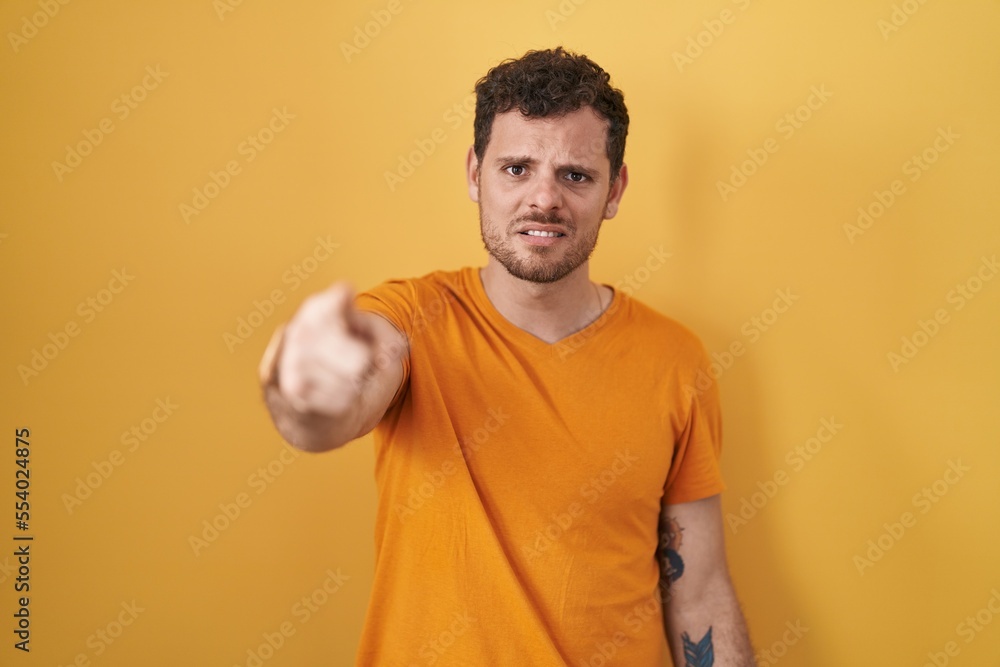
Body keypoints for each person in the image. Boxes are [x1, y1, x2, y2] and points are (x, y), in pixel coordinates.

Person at [259, 46, 756, 666]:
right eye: (516, 169)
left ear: (615, 188)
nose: (542, 199)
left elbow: (701, 591)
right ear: (475, 174)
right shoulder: (408, 321)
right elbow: (331, 412)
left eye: (575, 175)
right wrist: (304, 389)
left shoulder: (674, 358)